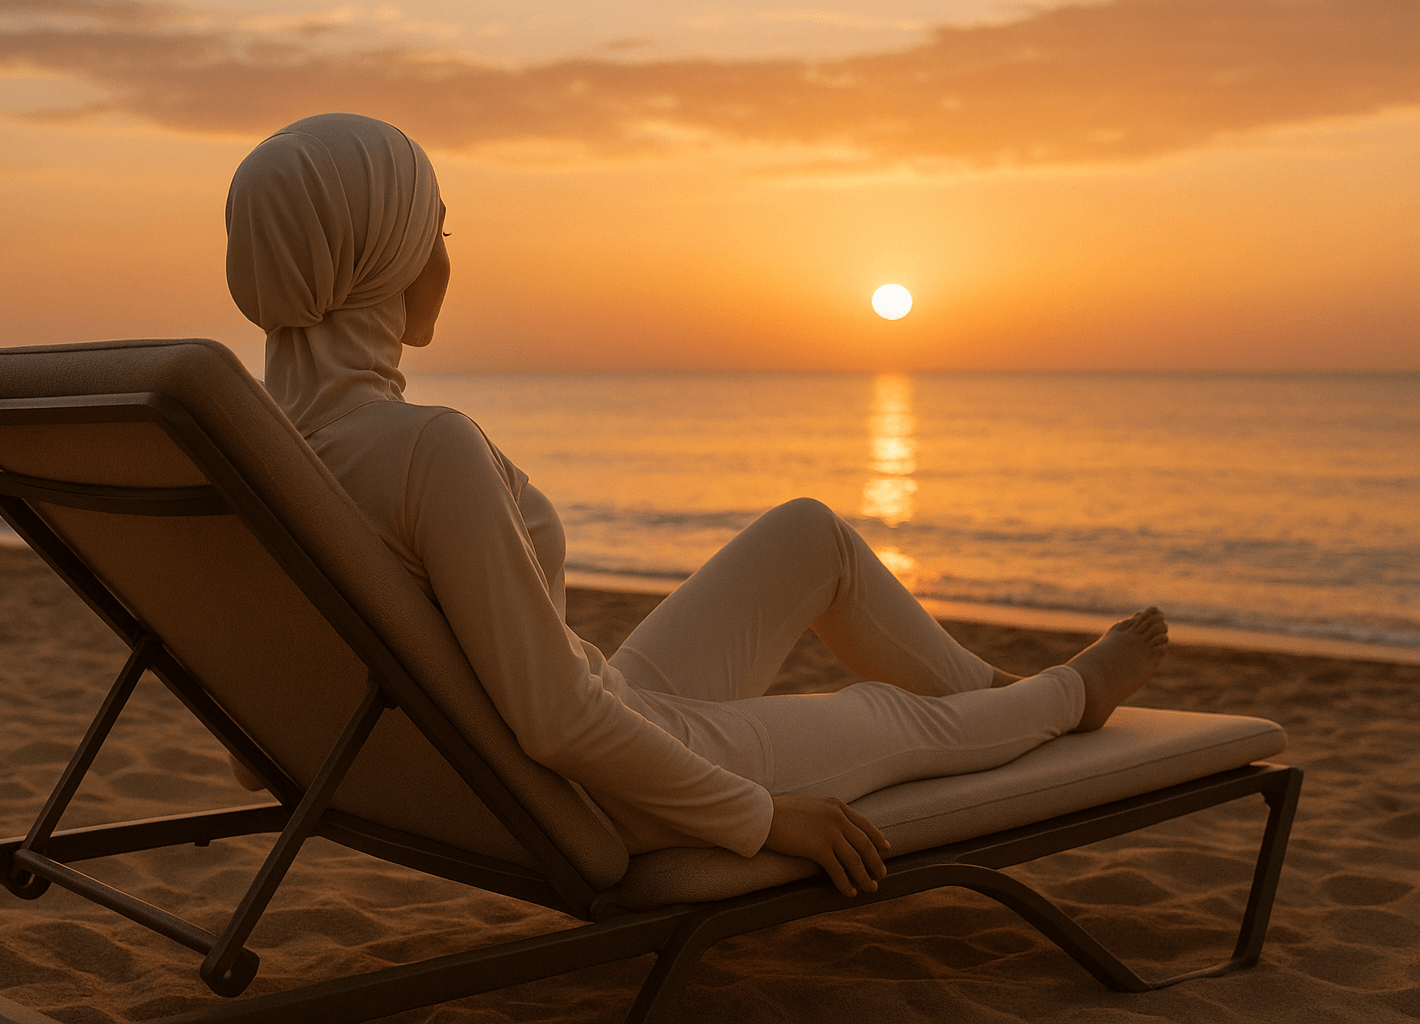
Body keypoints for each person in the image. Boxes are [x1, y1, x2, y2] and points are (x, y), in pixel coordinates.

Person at [224, 113, 1168, 899]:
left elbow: (261, 727)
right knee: (892, 721)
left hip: (586, 729)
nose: (443, 259)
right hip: (617, 785)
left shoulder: (260, 461)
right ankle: (1069, 698)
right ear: (379, 252)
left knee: (810, 533)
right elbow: (553, 721)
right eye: (436, 231)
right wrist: (761, 817)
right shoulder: (425, 448)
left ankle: (990, 692)